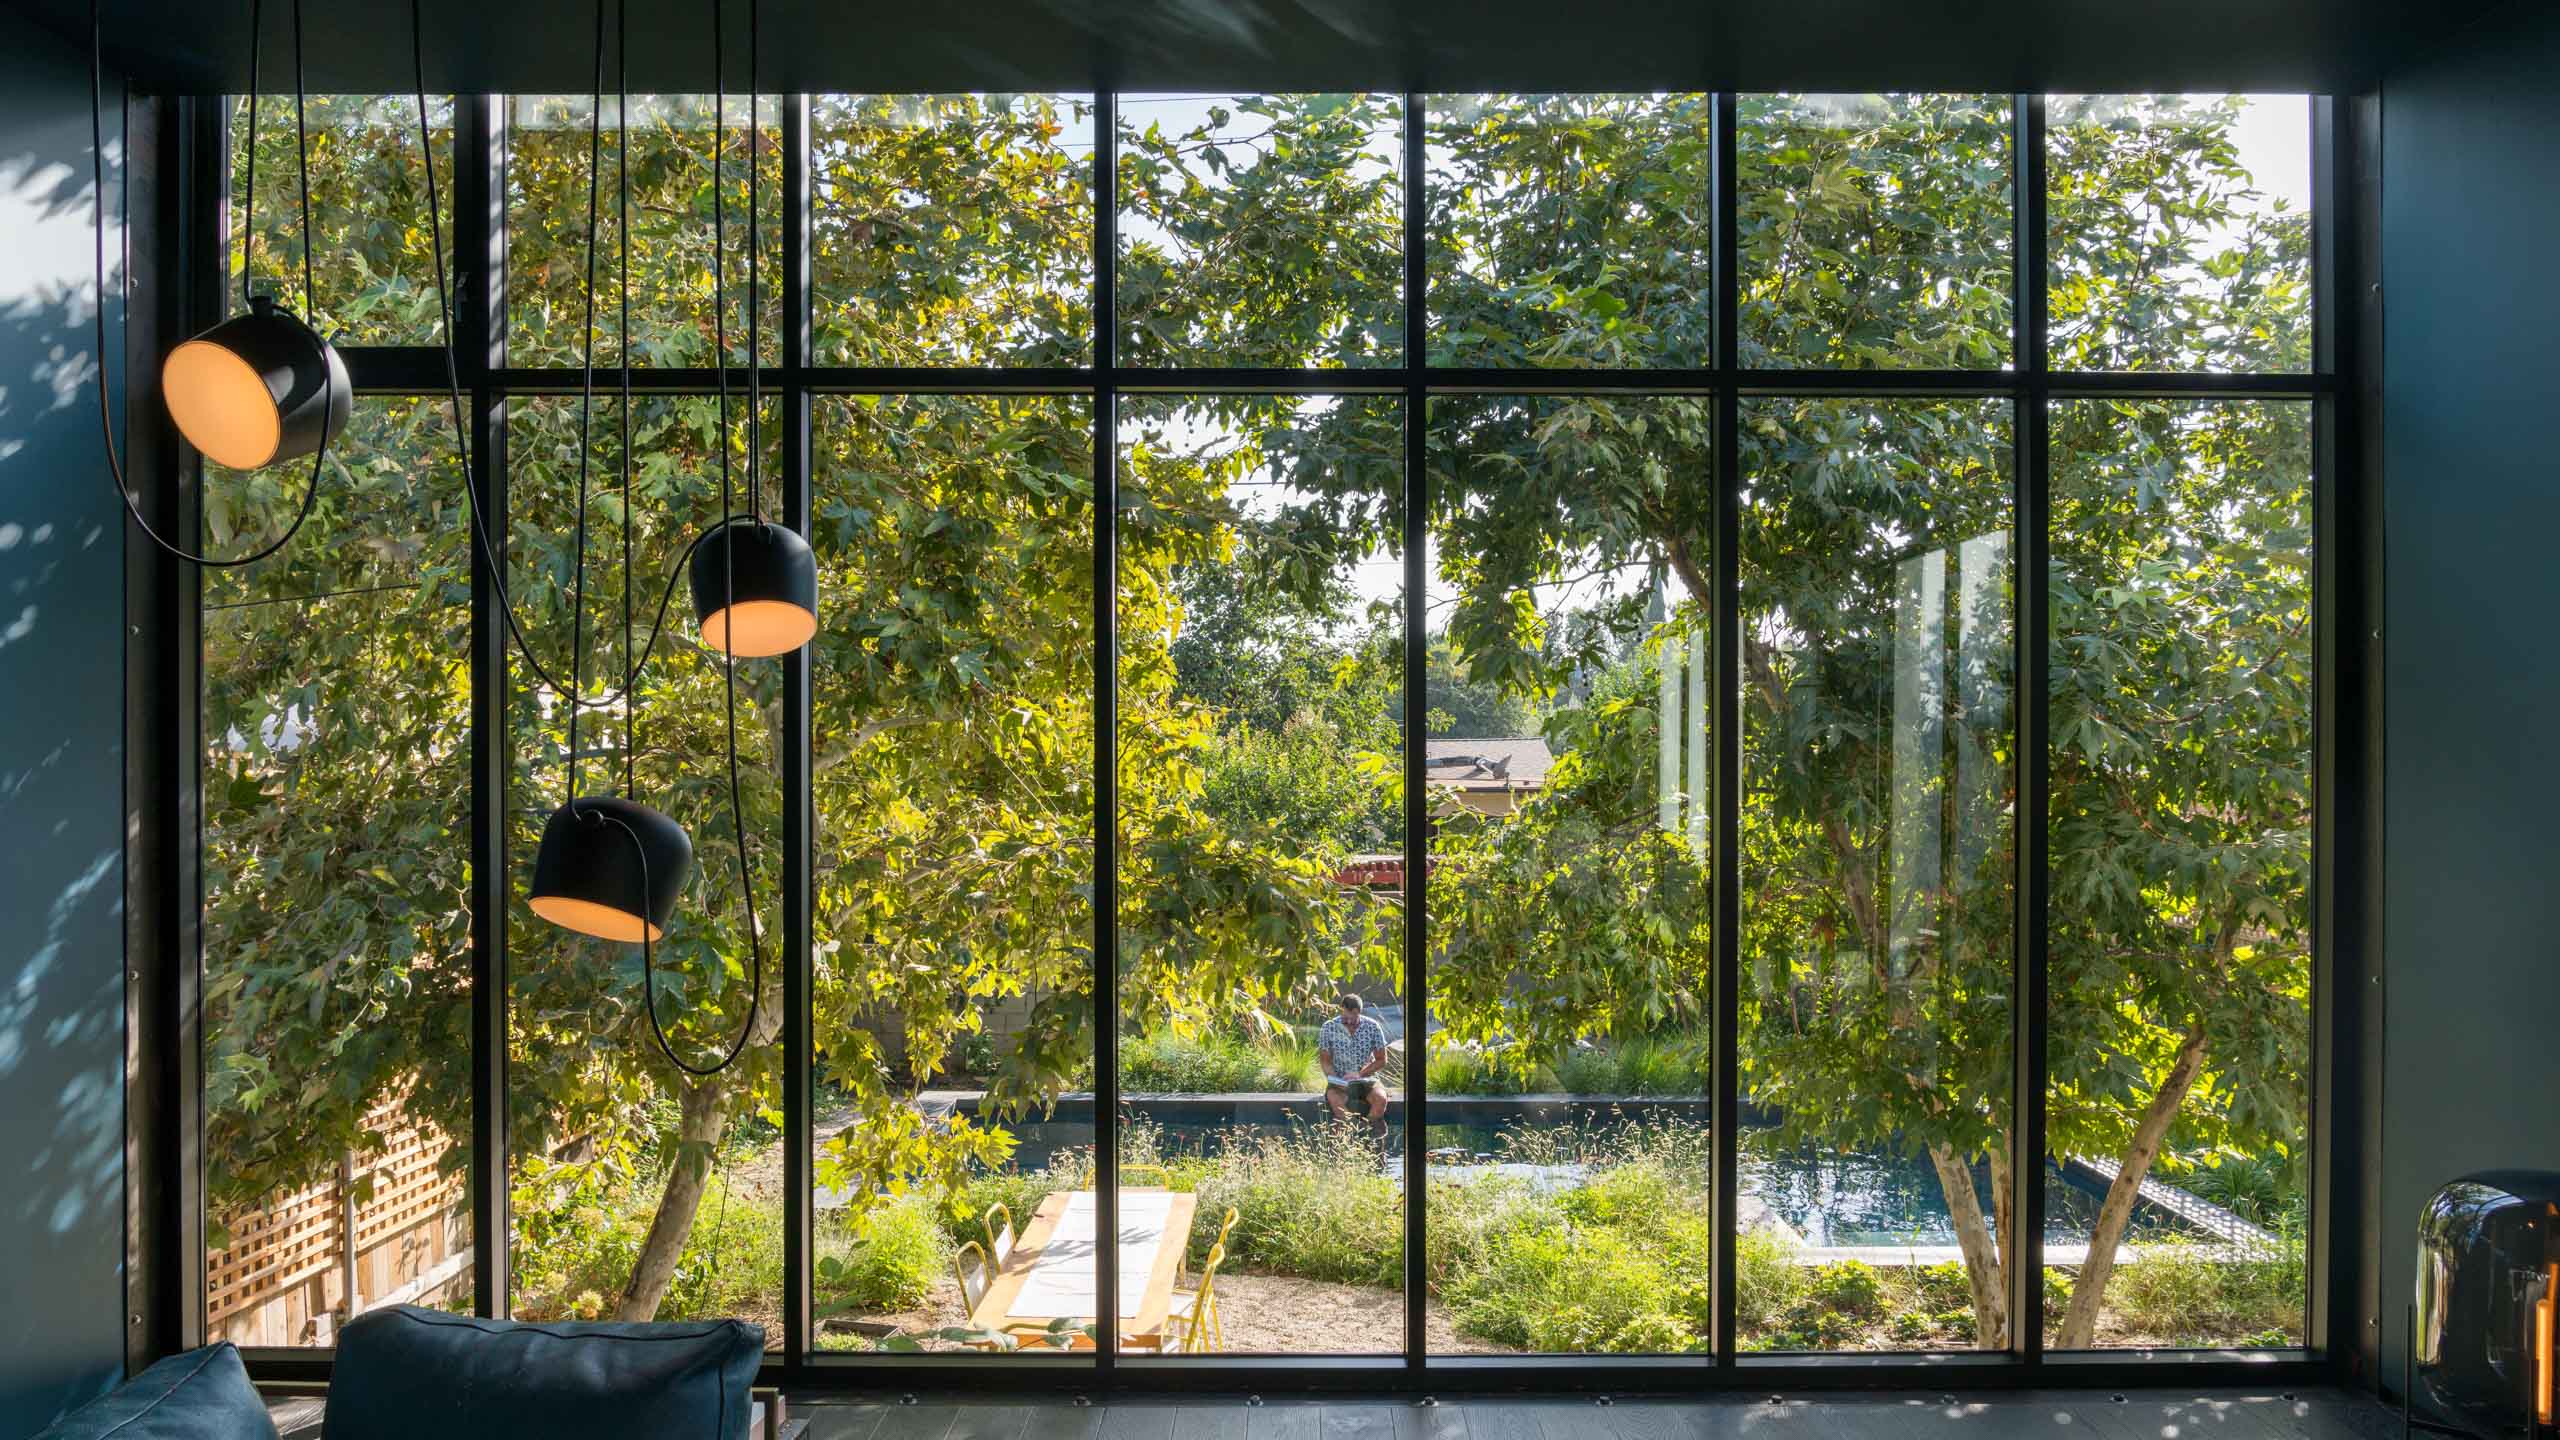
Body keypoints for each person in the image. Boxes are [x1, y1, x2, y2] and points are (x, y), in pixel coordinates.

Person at [1315, 992, 1390, 1132]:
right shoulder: (1328, 1027)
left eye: (1354, 1018)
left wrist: (1359, 1074)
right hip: (1339, 1081)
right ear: (1341, 1009)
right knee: (1337, 1103)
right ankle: (1354, 1132)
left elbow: (1382, 1060)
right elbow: (1325, 1061)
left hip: (1368, 1079)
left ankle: (1366, 1130)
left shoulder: (1373, 1027)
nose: (1349, 1022)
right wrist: (1335, 1079)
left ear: (1359, 1012)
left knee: (1381, 1100)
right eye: (1345, 1018)